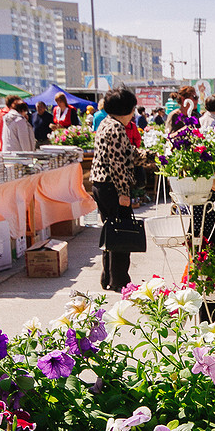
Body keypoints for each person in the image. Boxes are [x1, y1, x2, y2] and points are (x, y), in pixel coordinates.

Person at [89, 87, 149, 292]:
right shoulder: (116, 128)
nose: (133, 113)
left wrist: (148, 156)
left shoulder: (106, 123)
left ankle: (108, 277)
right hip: (112, 187)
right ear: (125, 110)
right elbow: (117, 165)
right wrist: (124, 193)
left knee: (111, 233)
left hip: (101, 185)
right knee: (122, 234)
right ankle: (120, 281)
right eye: (132, 109)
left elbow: (126, 152)